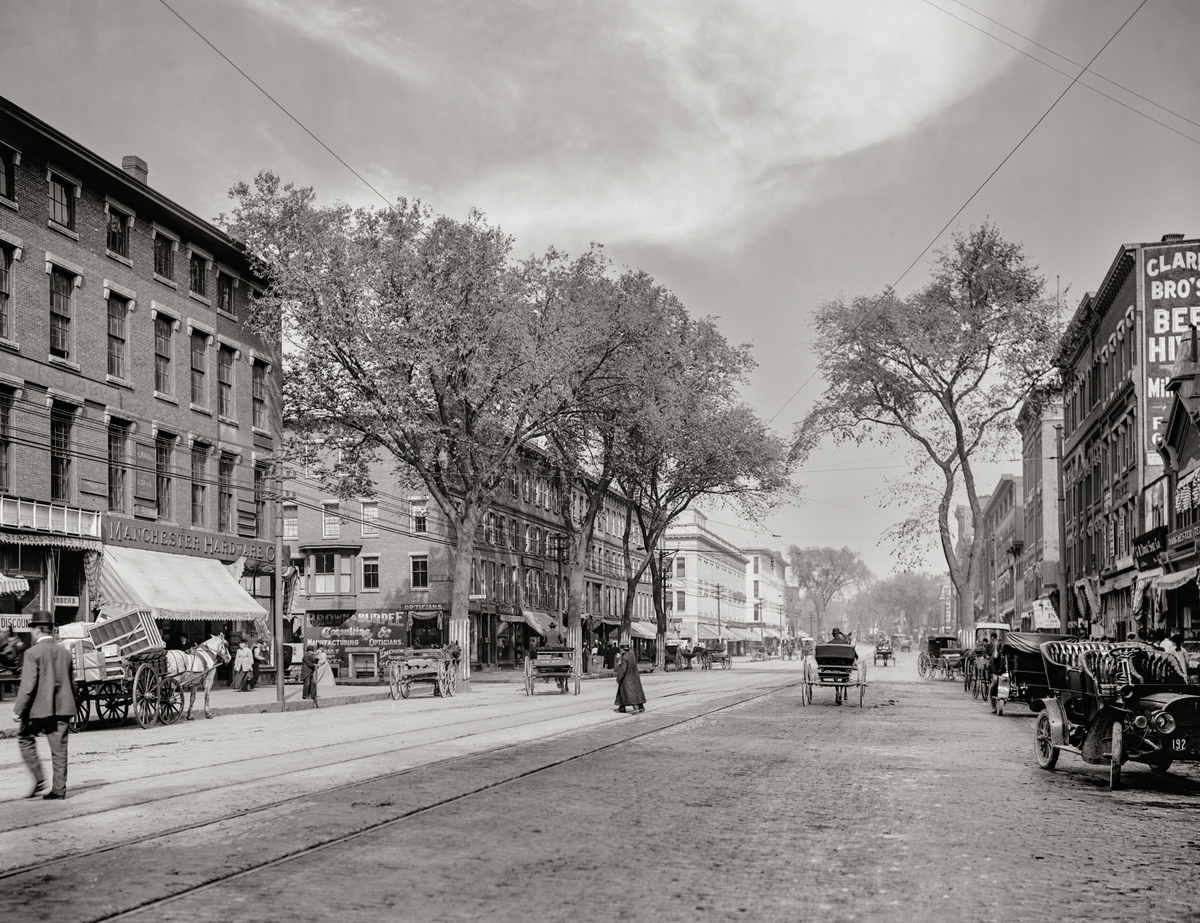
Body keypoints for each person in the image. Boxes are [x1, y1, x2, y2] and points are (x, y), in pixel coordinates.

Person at [11, 612, 76, 800]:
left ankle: (40, 779)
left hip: (38, 712)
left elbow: (28, 686)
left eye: (32, 629)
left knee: (24, 737)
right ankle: (59, 790)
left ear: (38, 629)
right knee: (59, 749)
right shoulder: (64, 652)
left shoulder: (32, 653)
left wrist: (18, 710)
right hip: (63, 709)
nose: (31, 633)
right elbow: (72, 684)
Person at [613, 642, 646, 715]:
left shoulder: (625, 657)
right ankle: (623, 707)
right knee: (628, 691)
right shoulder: (632, 654)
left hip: (627, 678)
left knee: (629, 692)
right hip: (634, 676)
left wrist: (618, 678)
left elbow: (623, 669)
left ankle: (635, 707)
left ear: (622, 649)